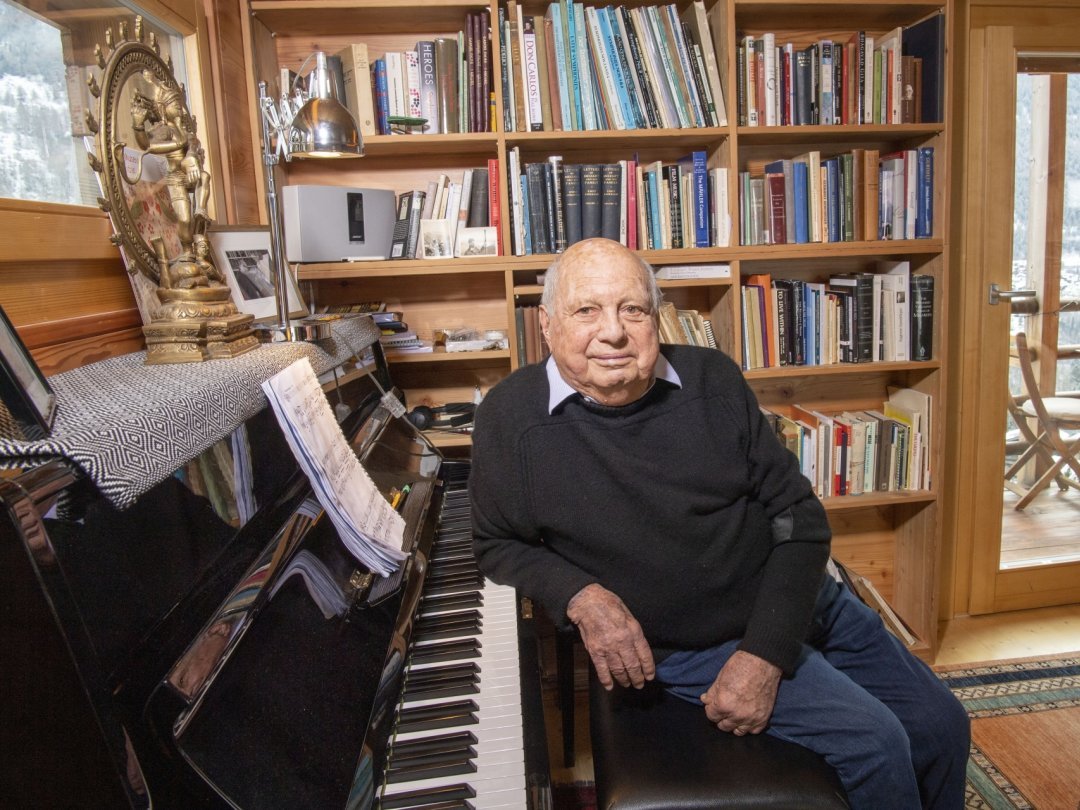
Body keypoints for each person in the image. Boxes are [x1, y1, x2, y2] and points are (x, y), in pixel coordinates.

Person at [469, 238, 969, 810]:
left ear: (654, 316)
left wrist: (765, 654)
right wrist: (581, 597)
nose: (612, 332)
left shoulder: (712, 379)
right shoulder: (510, 419)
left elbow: (798, 519)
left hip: (798, 601)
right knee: (878, 744)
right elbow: (497, 542)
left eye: (633, 309)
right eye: (587, 310)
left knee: (942, 725)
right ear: (548, 324)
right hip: (694, 642)